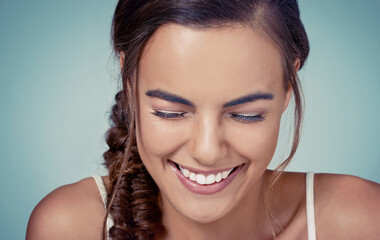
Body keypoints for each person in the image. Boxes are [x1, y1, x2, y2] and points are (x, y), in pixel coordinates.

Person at [26, 0, 380, 239]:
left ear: (288, 88)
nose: (208, 151)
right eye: (171, 112)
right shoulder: (69, 226)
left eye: (245, 114)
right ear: (129, 81)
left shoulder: (360, 220)